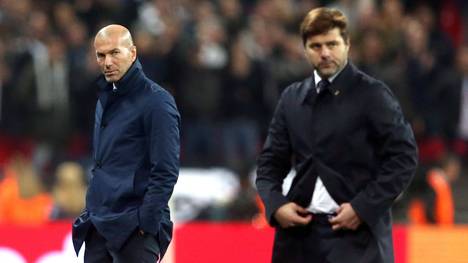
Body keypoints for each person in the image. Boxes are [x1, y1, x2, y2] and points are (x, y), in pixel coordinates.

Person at [256, 7, 418, 263]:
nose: (325, 53)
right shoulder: (291, 98)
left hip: (358, 239)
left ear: (347, 44)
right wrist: (276, 204)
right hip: (298, 240)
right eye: (315, 46)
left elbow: (404, 158)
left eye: (332, 44)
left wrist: (363, 207)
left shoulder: (373, 94)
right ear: (305, 48)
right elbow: (269, 164)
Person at [72, 24, 180, 263]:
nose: (107, 62)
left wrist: (146, 223)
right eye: (101, 55)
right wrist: (91, 211)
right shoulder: (104, 100)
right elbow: (101, 163)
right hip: (100, 225)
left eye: (114, 53)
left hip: (134, 229)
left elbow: (166, 170)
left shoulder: (157, 101)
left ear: (132, 53)